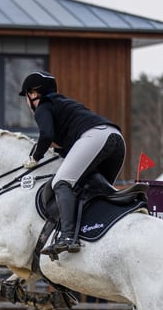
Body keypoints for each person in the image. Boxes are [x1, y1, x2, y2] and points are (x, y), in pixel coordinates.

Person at [19, 71, 126, 257]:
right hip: (115, 139)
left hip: (95, 137)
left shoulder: (44, 106)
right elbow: (73, 147)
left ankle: (68, 237)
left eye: (26, 97)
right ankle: (100, 231)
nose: (27, 102)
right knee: (95, 190)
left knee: (61, 182)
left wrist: (35, 157)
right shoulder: (63, 105)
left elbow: (46, 135)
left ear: (34, 93)